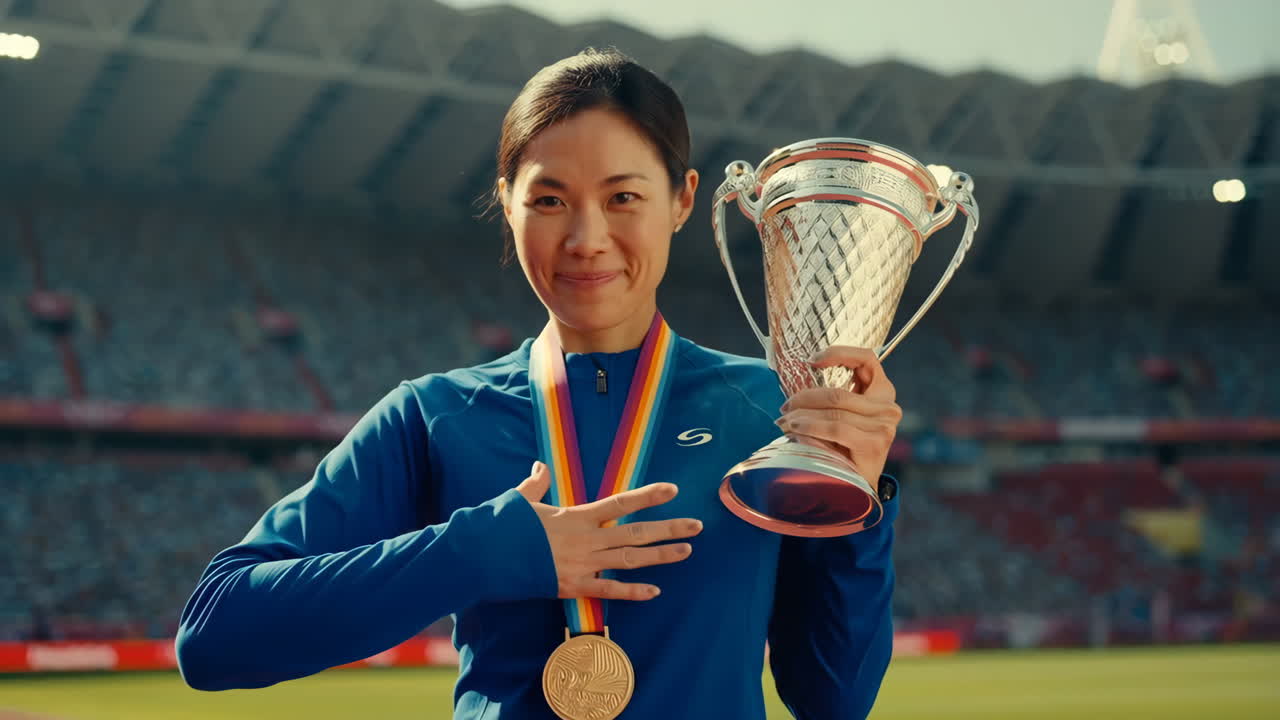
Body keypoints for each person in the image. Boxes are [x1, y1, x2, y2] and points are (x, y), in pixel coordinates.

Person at [176, 48, 903, 720]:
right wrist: (489, 552)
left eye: (623, 198)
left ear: (683, 200)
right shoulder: (435, 416)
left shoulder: (772, 414)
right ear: (507, 202)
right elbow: (214, 635)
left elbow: (833, 700)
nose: (586, 238)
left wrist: (857, 505)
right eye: (550, 200)